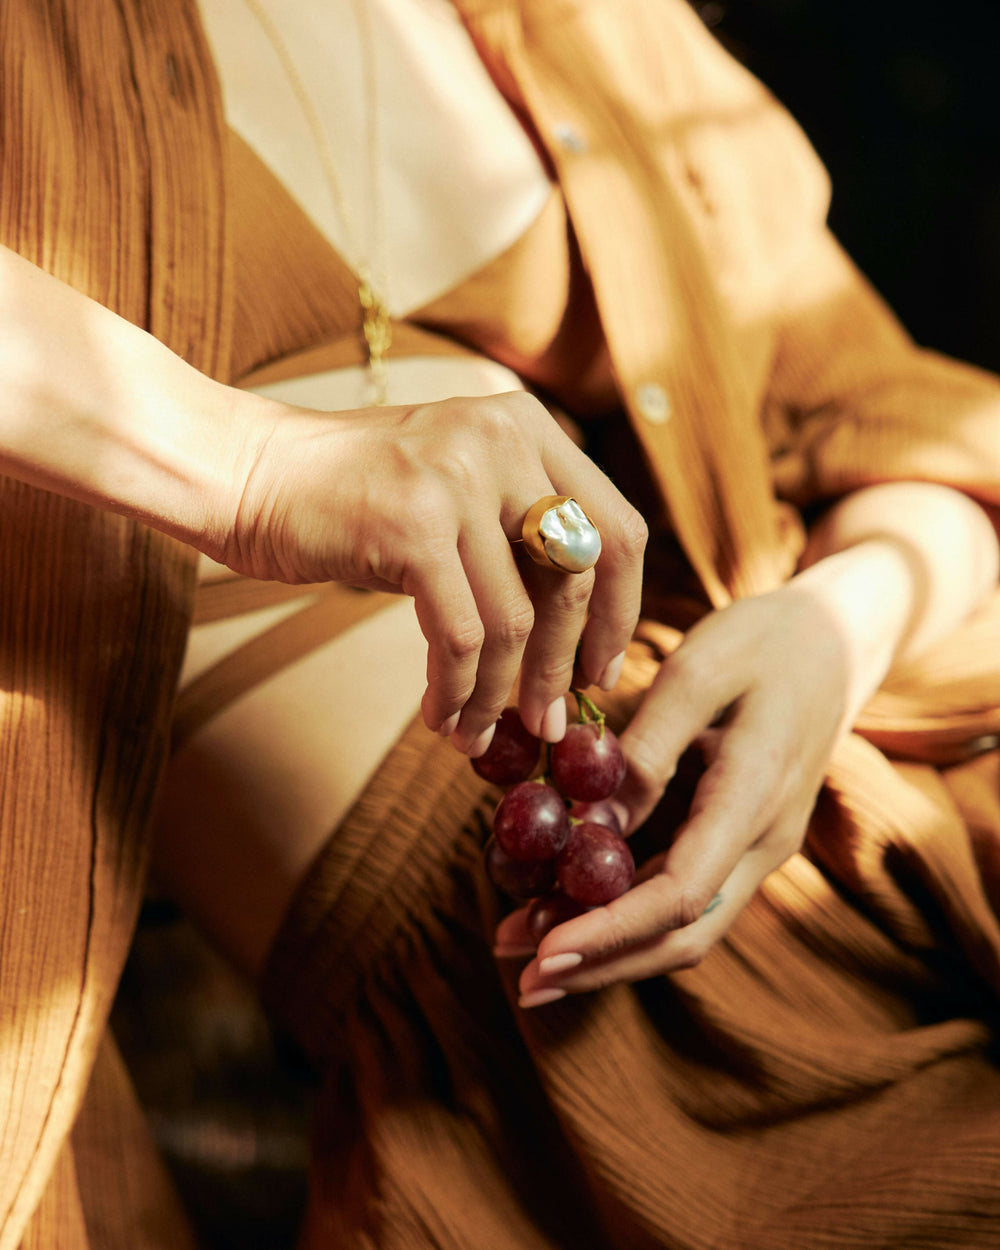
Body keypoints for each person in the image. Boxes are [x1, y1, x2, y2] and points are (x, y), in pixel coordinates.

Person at [1, 0, 1000, 1246]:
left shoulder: (576, 23)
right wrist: (247, 466)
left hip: (878, 810)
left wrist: (835, 630)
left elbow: (904, 414)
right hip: (578, 1053)